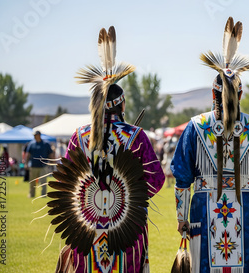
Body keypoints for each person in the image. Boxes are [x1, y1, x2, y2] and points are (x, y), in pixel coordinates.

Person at [44, 26, 165, 272]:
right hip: (127, 226)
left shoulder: (79, 136)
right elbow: (156, 180)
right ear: (122, 106)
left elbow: (67, 181)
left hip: (86, 227)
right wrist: (129, 198)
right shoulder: (136, 136)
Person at [171, 17, 249, 273]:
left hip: (203, 207)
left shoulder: (195, 127)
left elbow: (182, 177)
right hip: (248, 207)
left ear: (213, 94)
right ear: (240, 94)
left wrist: (180, 218)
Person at [25, 131, 53, 197]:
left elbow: (50, 154)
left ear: (39, 135)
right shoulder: (31, 144)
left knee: (43, 182)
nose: (34, 136)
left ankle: (43, 195)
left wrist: (52, 162)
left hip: (43, 166)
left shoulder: (46, 144)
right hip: (33, 165)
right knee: (32, 182)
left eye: (36, 135)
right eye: (34, 135)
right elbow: (28, 154)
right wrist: (26, 163)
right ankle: (31, 194)